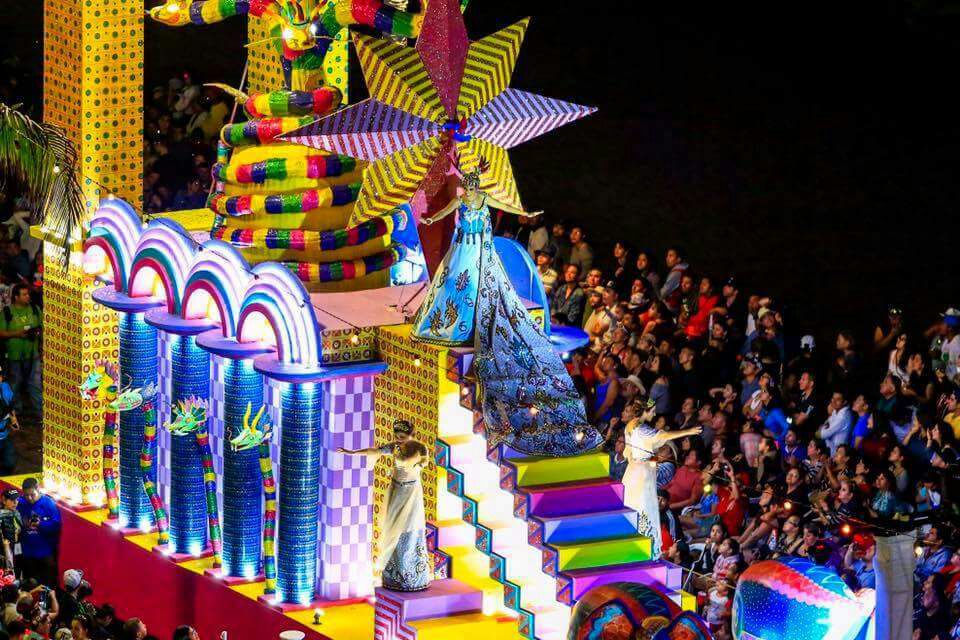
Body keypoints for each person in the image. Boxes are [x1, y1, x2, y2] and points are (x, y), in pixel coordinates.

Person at [416, 165, 602, 456]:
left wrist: (524, 213)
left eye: (476, 182)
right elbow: (445, 216)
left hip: (482, 249)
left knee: (486, 290)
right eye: (471, 182)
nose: (474, 186)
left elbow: (505, 203)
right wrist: (430, 217)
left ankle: (478, 323)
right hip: (466, 248)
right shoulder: (461, 201)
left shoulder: (485, 198)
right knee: (457, 285)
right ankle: (456, 325)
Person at [339, 420, 430, 591]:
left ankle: (411, 576)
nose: (399, 439)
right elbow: (375, 451)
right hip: (396, 490)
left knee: (409, 526)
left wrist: (415, 461)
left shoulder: (419, 448)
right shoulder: (395, 447)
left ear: (412, 435)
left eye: (403, 437)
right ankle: (393, 576)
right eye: (397, 436)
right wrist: (352, 452)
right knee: (391, 527)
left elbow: (422, 460)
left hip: (411, 493)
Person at [621, 413, 701, 559]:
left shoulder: (669, 466)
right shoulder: (675, 468)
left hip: (662, 501)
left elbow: (651, 470)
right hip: (655, 496)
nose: (659, 451)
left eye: (663, 449)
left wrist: (671, 505)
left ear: (671, 453)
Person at [0, 284, 42, 415]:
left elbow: (42, 327)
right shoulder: (7, 312)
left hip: (33, 354)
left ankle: (41, 412)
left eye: (28, 294)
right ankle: (15, 412)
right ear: (16, 297)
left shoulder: (35, 309)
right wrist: (16, 334)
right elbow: (1, 333)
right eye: (24, 294)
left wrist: (39, 338)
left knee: (35, 384)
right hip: (14, 355)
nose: (28, 296)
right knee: (15, 384)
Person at [16, 478, 60, 587]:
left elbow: (56, 525)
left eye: (32, 494)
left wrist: (40, 525)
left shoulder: (48, 504)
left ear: (38, 489)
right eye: (26, 495)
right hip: (27, 551)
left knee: (47, 583)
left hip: (45, 551)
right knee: (30, 582)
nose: (29, 498)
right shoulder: (20, 503)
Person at [0, 370, 20, 478]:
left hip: (4, 436)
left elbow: (10, 406)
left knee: (9, 464)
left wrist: (13, 420)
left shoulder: (4, 387)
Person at [0, 488, 21, 570]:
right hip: (4, 550)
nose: (15, 502)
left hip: (16, 545)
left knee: (17, 566)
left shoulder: (16, 513)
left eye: (17, 499)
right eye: (12, 500)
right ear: (4, 501)